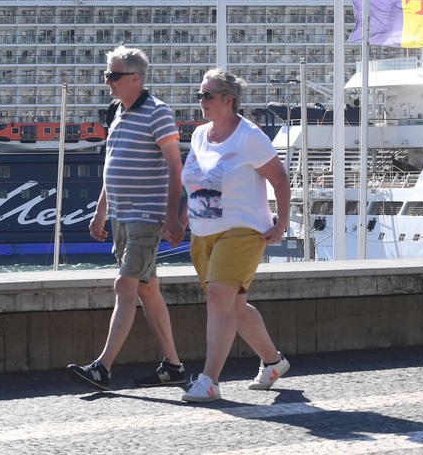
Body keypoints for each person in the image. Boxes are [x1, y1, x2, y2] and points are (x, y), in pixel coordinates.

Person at [67, 46, 187, 391]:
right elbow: (113, 166)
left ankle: (102, 368)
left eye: (113, 75)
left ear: (135, 78)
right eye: (107, 74)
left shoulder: (158, 112)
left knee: (125, 285)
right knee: (148, 291)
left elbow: (174, 166)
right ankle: (174, 366)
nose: (107, 81)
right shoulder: (116, 112)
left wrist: (172, 218)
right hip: (121, 216)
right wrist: (100, 211)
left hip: (145, 217)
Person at [179, 69, 292, 403]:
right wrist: (179, 219)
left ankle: (209, 381)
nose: (201, 101)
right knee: (235, 305)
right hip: (203, 234)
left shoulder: (249, 136)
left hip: (242, 230)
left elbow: (280, 180)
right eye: (200, 95)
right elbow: (195, 181)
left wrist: (281, 222)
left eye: (208, 95)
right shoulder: (200, 135)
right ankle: (273, 362)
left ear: (229, 100)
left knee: (218, 297)